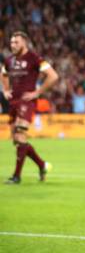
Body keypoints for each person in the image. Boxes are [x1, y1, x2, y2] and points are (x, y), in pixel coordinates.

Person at [1, 31, 58, 184]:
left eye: (16, 42)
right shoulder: (9, 60)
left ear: (24, 43)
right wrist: (6, 90)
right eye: (11, 42)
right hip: (13, 103)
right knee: (18, 140)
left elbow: (53, 76)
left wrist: (37, 92)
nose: (13, 45)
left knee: (20, 135)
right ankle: (42, 165)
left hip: (27, 101)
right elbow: (4, 73)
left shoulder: (34, 58)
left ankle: (16, 176)